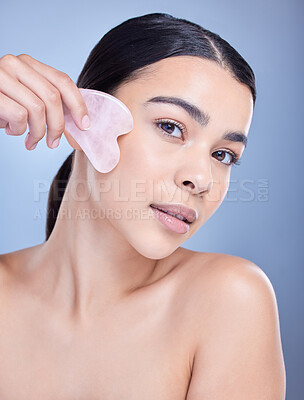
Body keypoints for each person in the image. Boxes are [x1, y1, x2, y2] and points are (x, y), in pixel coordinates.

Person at [0, 12, 286, 399]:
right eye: (171, 127)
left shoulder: (228, 300)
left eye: (223, 155)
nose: (201, 179)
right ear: (84, 119)